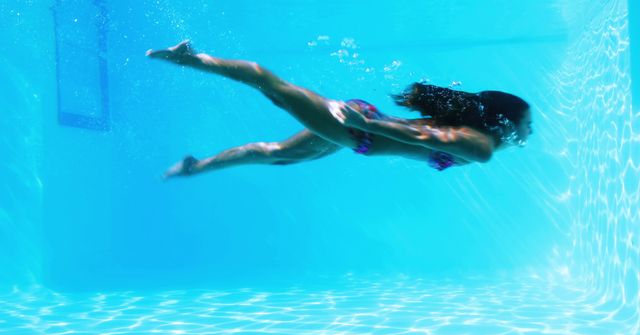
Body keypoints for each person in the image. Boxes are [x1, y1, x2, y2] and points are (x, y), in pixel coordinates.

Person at [146, 41, 533, 179]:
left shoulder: (479, 140)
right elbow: (420, 135)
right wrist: (363, 122)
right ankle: (191, 60)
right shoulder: (481, 148)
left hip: (360, 130)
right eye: (526, 126)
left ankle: (194, 167)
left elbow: (423, 135)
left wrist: (365, 123)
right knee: (273, 85)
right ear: (507, 122)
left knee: (279, 155)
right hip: (359, 129)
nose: (528, 134)